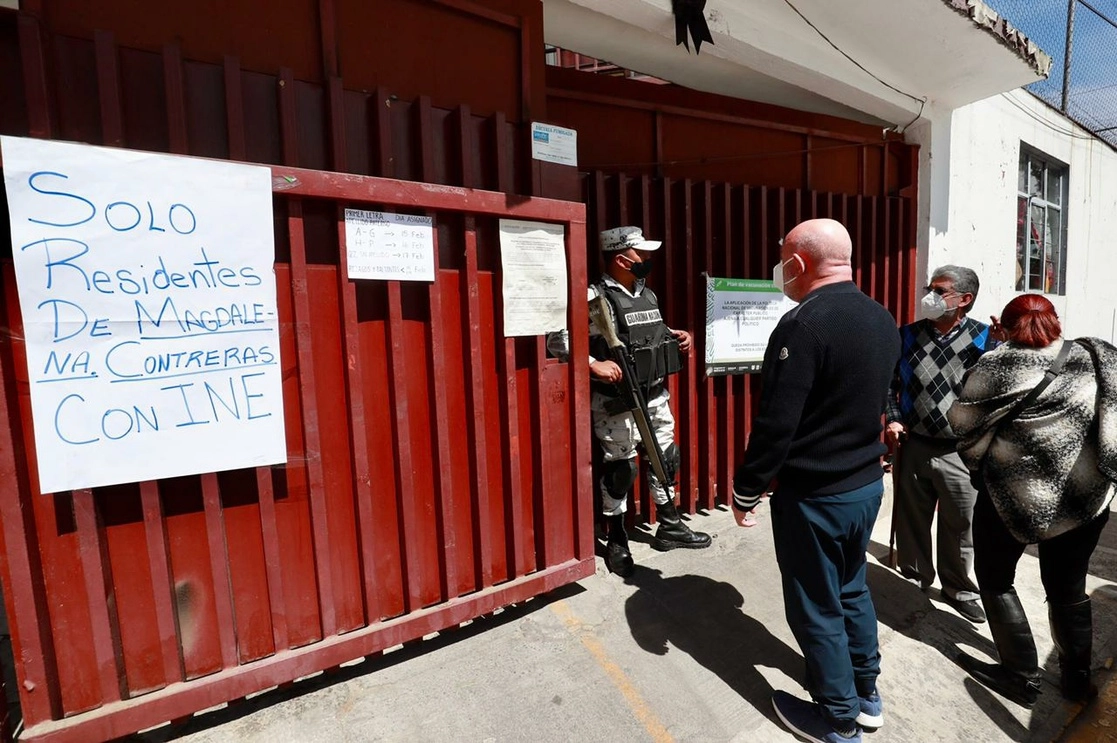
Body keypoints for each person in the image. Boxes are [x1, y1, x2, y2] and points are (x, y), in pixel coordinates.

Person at [732, 218, 900, 743]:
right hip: (866, 487)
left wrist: (746, 489)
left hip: (815, 498)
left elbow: (776, 423)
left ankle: (838, 717)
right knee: (852, 589)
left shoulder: (802, 325)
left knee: (815, 604)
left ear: (799, 263)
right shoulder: (880, 316)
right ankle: (866, 693)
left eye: (784, 259)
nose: (781, 270)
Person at [948, 294, 1117, 708]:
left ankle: (1020, 676)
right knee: (1069, 587)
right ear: (1056, 320)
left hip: (1011, 496)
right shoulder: (1096, 358)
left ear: (1004, 328)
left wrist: (994, 351)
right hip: (1083, 498)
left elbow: (963, 423)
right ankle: (1076, 681)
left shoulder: (997, 364)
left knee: (996, 578)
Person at [548, 226, 711, 579]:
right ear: (623, 258)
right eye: (642, 255)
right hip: (615, 403)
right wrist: (593, 363)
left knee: (665, 459)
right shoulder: (593, 296)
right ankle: (617, 537)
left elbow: (645, 332)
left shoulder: (644, 292)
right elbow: (557, 339)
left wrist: (676, 336)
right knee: (622, 469)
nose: (647, 260)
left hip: (654, 395)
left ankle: (670, 526)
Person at [885, 265, 993, 624]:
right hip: (913, 442)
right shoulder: (908, 335)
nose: (929, 296)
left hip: (960, 451)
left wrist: (1007, 348)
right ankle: (914, 578)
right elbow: (889, 385)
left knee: (960, 524)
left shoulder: (986, 339)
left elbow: (999, 389)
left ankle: (958, 588)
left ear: (965, 300)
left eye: (940, 290)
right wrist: (892, 417)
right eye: (929, 288)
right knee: (911, 517)